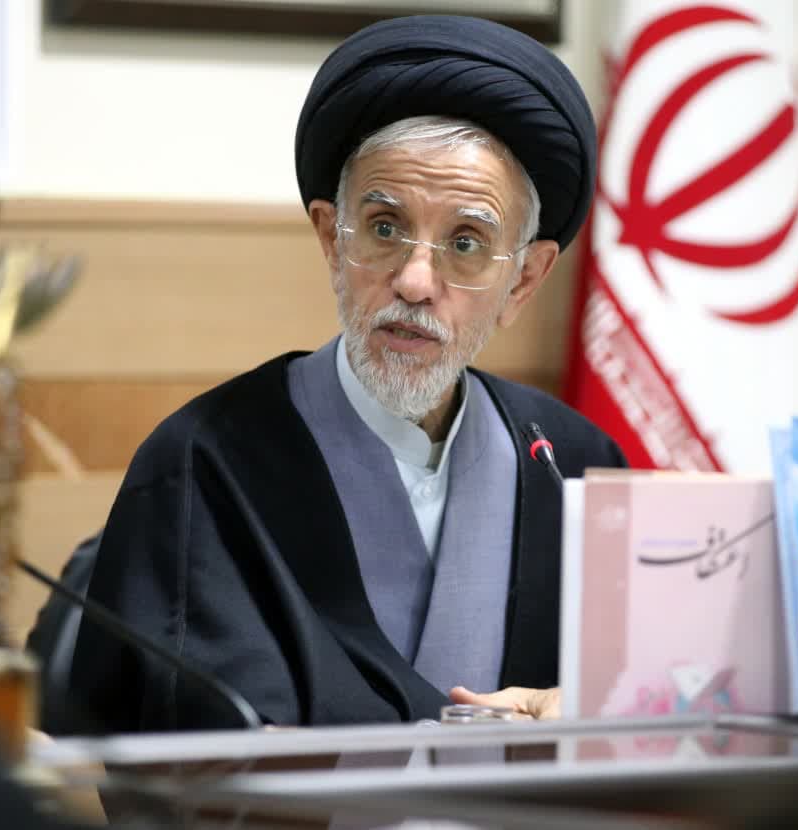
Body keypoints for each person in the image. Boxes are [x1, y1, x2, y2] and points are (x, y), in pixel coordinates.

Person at [67, 14, 624, 732]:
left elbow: (652, 716)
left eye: (466, 242)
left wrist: (592, 720)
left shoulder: (578, 470)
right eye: (385, 229)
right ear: (332, 238)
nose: (415, 282)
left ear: (523, 280)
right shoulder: (205, 465)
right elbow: (176, 759)